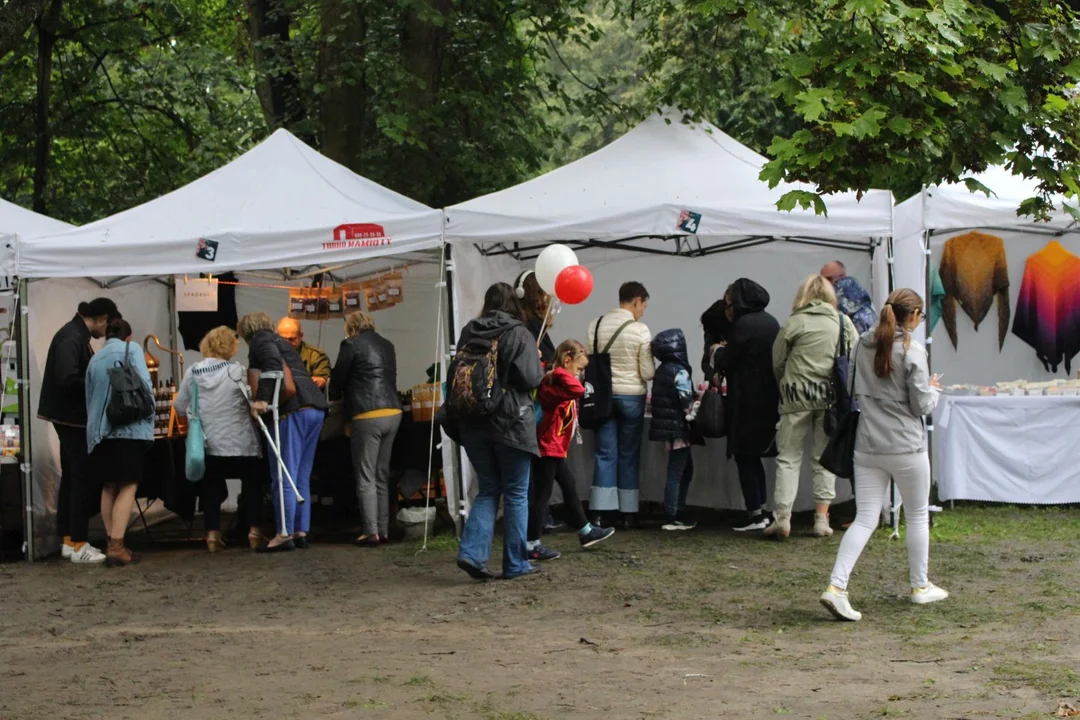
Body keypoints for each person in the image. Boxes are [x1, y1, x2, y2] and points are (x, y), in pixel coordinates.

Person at [820, 289, 947, 621]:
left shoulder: (863, 343)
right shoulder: (913, 350)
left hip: (868, 443)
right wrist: (933, 390)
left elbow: (852, 386)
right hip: (906, 445)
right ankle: (920, 587)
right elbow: (920, 405)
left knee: (865, 519)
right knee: (917, 515)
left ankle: (836, 587)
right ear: (915, 316)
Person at [442, 283, 544, 580]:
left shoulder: (468, 331)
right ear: (515, 304)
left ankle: (472, 554)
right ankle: (515, 563)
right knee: (515, 493)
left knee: (488, 489)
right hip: (510, 421)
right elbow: (530, 378)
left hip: (471, 420)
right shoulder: (519, 332)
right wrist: (535, 358)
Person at [768, 275, 857, 539]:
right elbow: (851, 361)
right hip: (830, 399)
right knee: (823, 459)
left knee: (788, 458)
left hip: (795, 396)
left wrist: (787, 382)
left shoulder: (794, 322)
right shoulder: (843, 322)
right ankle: (821, 518)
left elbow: (778, 362)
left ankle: (783, 518)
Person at [38, 297, 121, 564]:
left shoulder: (74, 335)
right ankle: (79, 543)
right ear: (101, 319)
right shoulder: (71, 338)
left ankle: (69, 541)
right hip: (70, 418)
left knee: (73, 478)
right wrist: (98, 381)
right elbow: (66, 379)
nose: (104, 333)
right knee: (82, 478)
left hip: (67, 417)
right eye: (107, 325)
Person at [238, 312, 328, 552]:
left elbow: (272, 366)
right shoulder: (281, 343)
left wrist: (262, 400)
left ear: (247, 333)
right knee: (301, 475)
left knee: (283, 473)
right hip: (315, 408)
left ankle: (284, 533)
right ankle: (300, 530)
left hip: (293, 410)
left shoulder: (260, 340)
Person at [174, 326, 265, 553]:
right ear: (231, 347)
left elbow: (179, 406)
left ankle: (212, 535)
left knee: (211, 488)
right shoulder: (237, 371)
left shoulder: (193, 372)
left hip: (210, 442)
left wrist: (195, 419)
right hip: (242, 441)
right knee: (253, 485)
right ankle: (254, 532)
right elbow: (251, 400)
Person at [705, 279, 781, 532]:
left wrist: (716, 350)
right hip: (769, 396)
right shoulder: (770, 321)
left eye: (729, 303)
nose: (728, 309)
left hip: (746, 397)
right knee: (755, 455)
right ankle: (761, 509)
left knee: (745, 456)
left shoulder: (743, 325)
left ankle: (755, 512)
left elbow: (729, 360)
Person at [529, 339, 616, 560]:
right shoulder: (553, 384)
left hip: (555, 446)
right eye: (578, 369)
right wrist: (559, 372)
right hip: (547, 446)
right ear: (567, 361)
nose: (579, 375)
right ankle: (531, 543)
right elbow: (577, 390)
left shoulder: (555, 381)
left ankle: (585, 531)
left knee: (568, 485)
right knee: (542, 495)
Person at [84, 318, 153, 567]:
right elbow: (145, 386)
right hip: (127, 429)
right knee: (128, 484)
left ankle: (113, 542)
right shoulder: (131, 350)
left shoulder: (95, 359)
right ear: (129, 336)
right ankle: (117, 545)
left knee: (109, 486)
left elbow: (89, 398)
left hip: (100, 432)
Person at [330, 310, 402, 547]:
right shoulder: (388, 344)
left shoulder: (350, 344)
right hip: (393, 411)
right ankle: (383, 530)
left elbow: (338, 380)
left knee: (366, 474)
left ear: (351, 328)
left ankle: (371, 531)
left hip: (366, 412)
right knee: (382, 474)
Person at [588, 281, 654, 529]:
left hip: (602, 397)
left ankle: (599, 512)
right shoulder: (640, 330)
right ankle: (628, 513)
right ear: (637, 300)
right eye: (644, 306)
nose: (643, 311)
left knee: (605, 454)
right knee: (628, 453)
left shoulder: (595, 325)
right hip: (631, 397)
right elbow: (647, 372)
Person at [515, 269, 563, 534]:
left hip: (533, 406)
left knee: (549, 465)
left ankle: (543, 517)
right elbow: (544, 362)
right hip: (534, 406)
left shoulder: (529, 324)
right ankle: (539, 519)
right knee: (545, 465)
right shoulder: (530, 326)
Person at [649, 329, 700, 531]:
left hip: (669, 427)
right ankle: (672, 515)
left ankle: (677, 510)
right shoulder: (680, 371)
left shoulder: (662, 369)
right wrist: (697, 407)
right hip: (680, 428)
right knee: (678, 472)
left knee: (684, 470)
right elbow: (686, 401)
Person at [276, 317, 331, 391]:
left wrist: (321, 380)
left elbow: (323, 379)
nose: (287, 343)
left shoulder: (315, 355)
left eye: (291, 339)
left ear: (301, 336)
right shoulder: (271, 352)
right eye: (283, 339)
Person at [822, 261, 876, 334]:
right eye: (821, 280)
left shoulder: (862, 316)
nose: (823, 284)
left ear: (842, 276)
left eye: (828, 279)